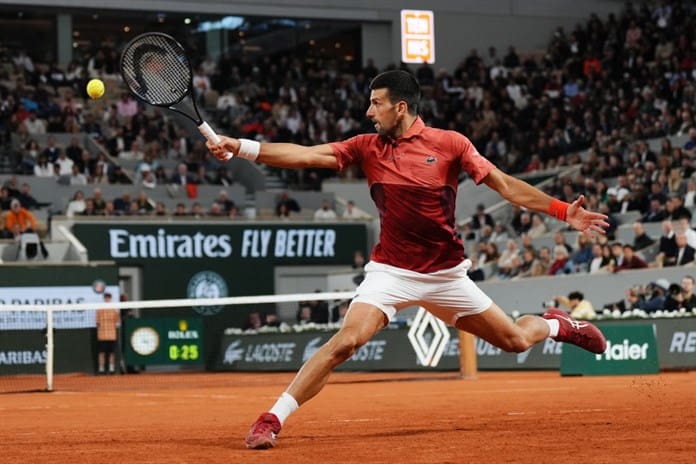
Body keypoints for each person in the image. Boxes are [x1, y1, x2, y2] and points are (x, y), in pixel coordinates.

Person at [206, 69, 609, 450]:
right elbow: (305, 155)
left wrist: (561, 211)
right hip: (391, 272)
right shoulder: (366, 147)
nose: (369, 112)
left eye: (376, 103)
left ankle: (557, 326)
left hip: (446, 275)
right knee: (346, 342)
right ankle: (272, 419)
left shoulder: (451, 144)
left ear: (400, 107)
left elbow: (504, 185)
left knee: (516, 341)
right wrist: (240, 147)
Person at [95, 292, 120, 375]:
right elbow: (97, 322)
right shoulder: (99, 310)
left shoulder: (114, 310)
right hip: (102, 336)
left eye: (108, 298)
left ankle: (111, 368)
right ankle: (101, 369)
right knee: (101, 353)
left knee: (112, 353)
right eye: (106, 298)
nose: (107, 299)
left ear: (110, 298)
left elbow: (117, 321)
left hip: (112, 336)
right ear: (104, 298)